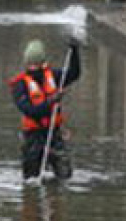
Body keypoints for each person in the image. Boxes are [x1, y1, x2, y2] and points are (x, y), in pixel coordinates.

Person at [9, 38, 81, 180]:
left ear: (43, 63)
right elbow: (29, 110)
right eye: (31, 64)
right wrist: (52, 101)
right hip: (33, 136)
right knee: (31, 179)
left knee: (65, 175)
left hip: (54, 134)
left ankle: (56, 197)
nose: (33, 68)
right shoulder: (20, 85)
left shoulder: (53, 76)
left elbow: (74, 73)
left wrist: (74, 52)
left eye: (36, 64)